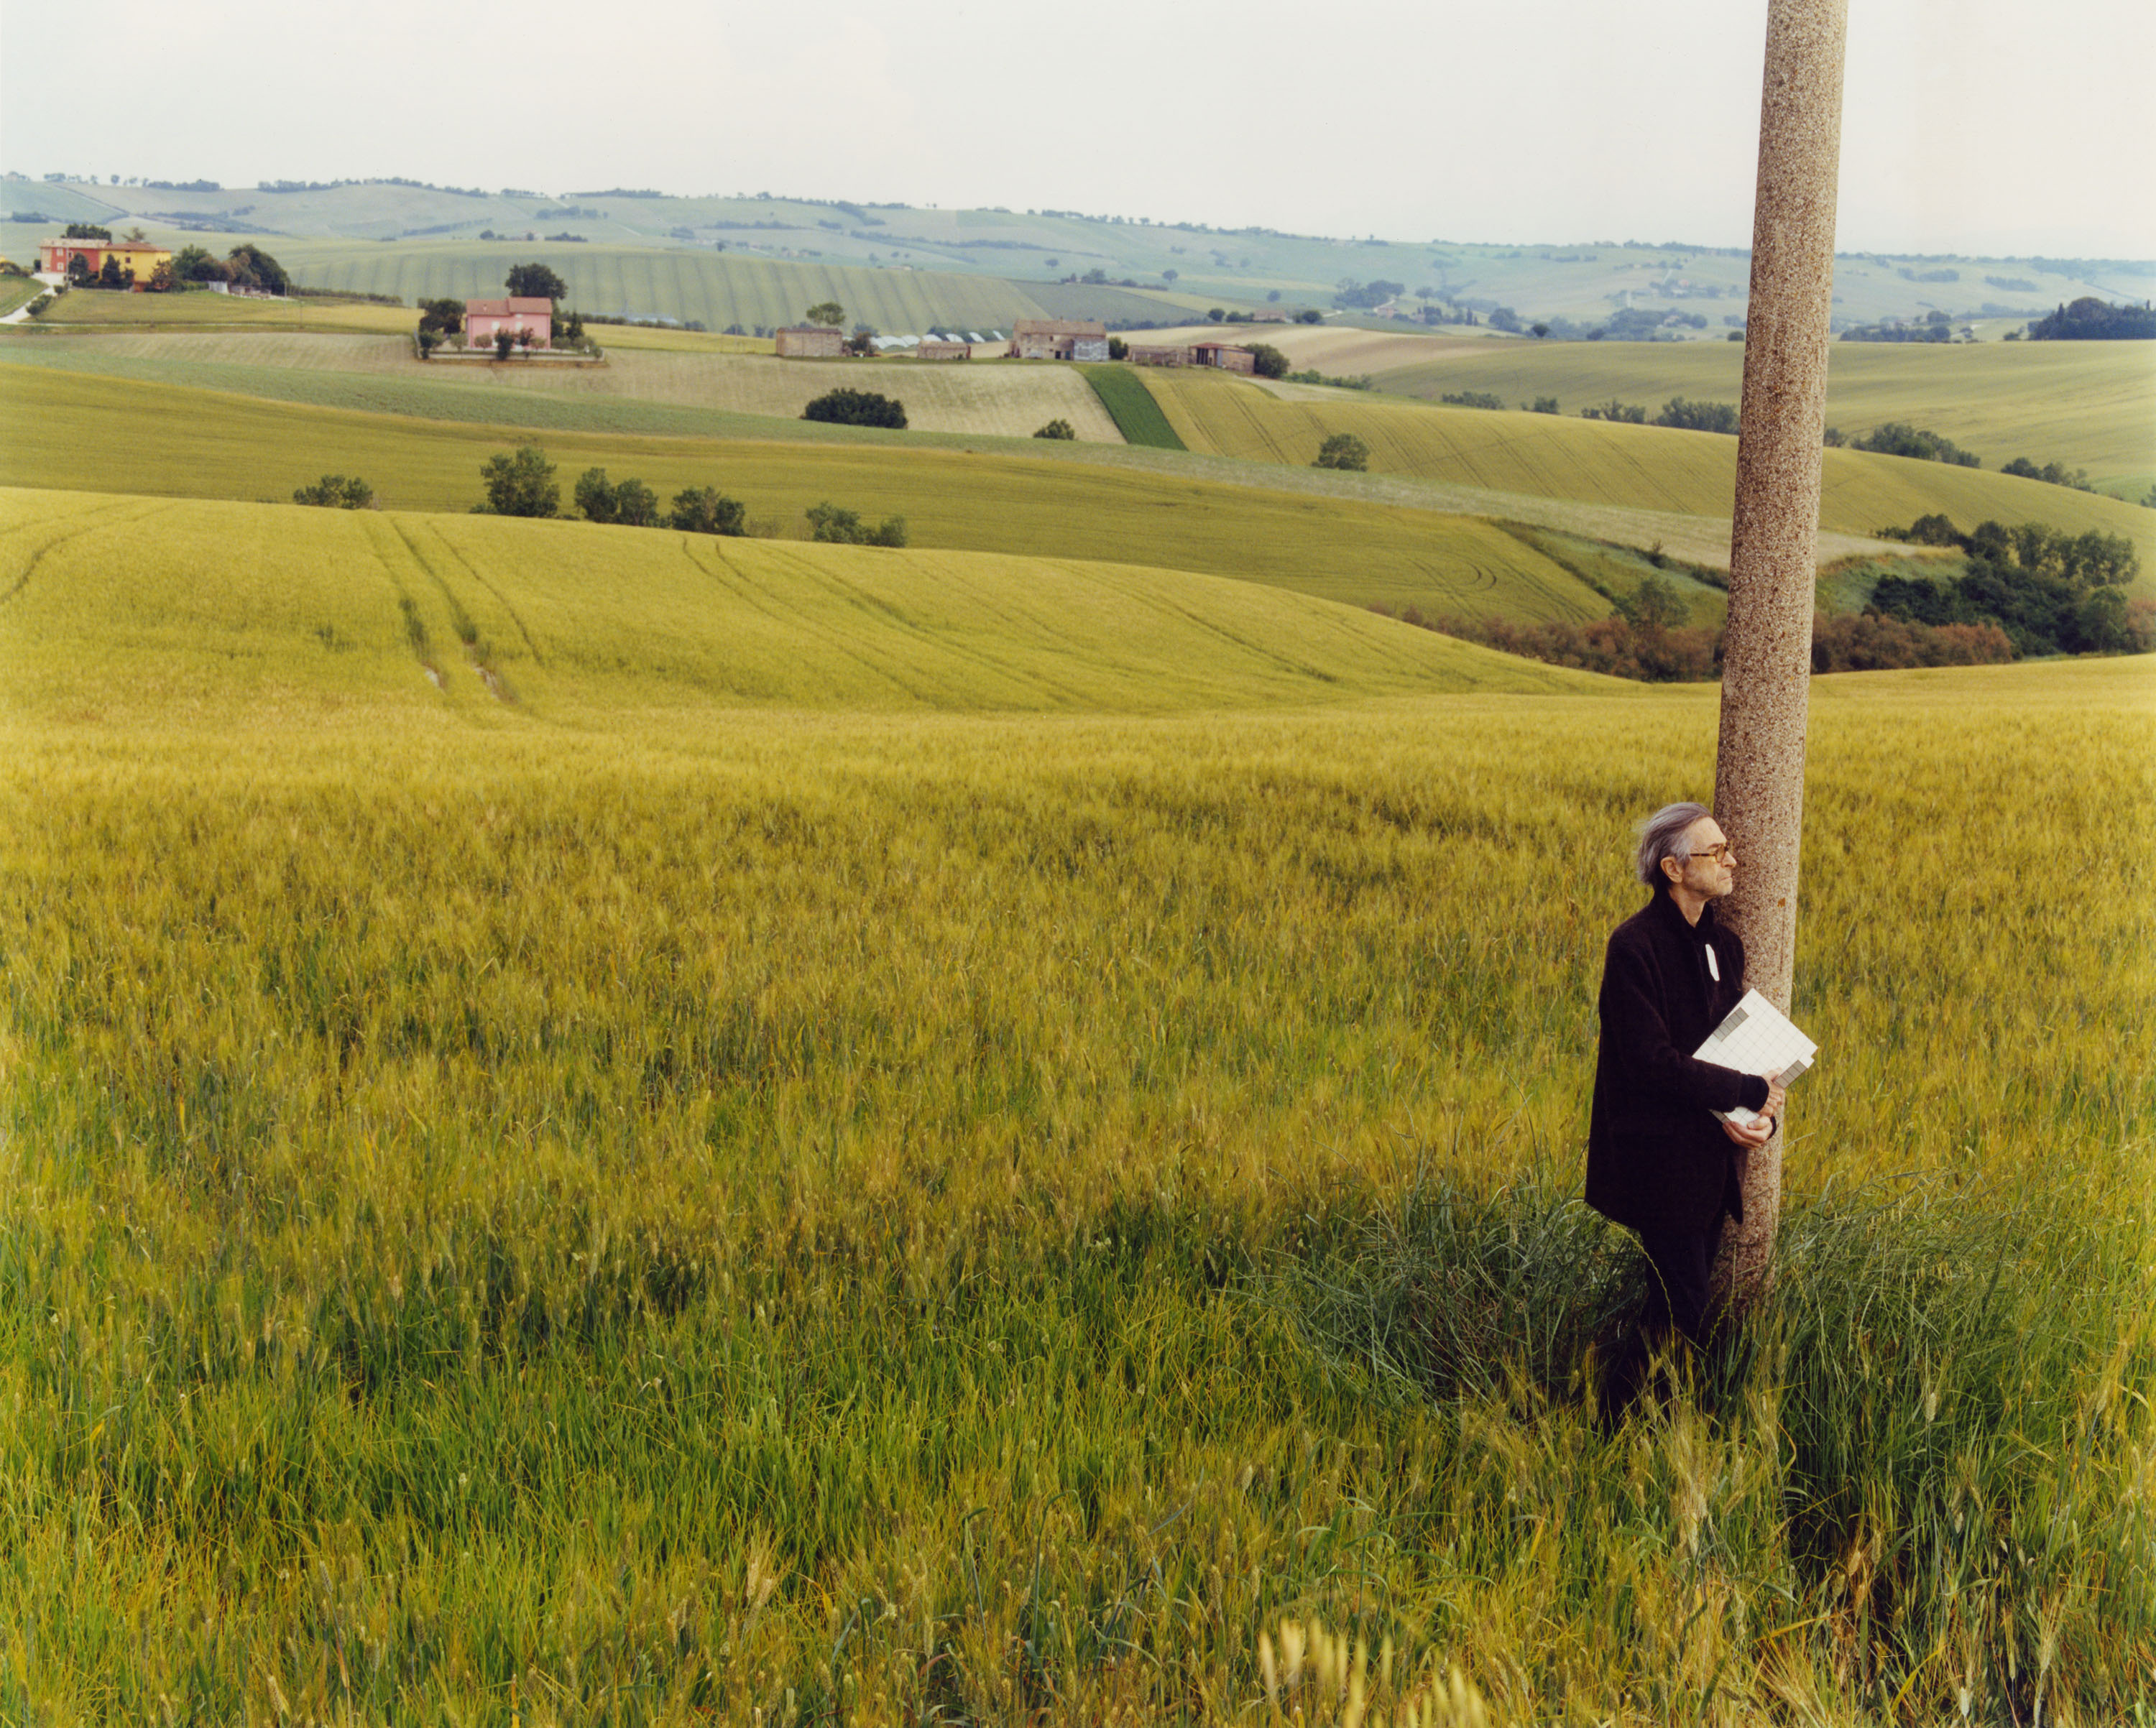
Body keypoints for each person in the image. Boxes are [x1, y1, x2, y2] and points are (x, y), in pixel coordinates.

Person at [1585, 802, 1785, 1410]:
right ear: (1673, 868)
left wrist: (1761, 1116)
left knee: (1673, 1307)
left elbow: (1737, 1049)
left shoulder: (1725, 944)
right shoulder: (1634, 947)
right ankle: (1621, 1424)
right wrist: (1745, 1091)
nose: (1732, 860)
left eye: (1727, 849)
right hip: (1658, 1161)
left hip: (1710, 1160)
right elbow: (1652, 1063)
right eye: (1715, 852)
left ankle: (1632, 1425)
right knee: (1684, 1310)